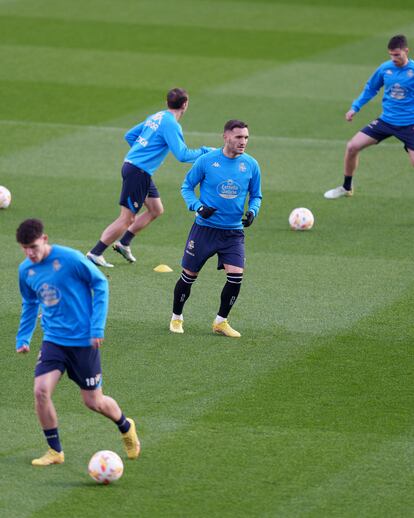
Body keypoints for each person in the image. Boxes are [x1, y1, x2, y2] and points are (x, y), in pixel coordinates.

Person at [15, 219, 140, 466]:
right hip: (53, 340)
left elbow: (100, 283)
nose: (30, 253)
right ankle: (55, 451)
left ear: (44, 239)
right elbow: (30, 303)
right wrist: (23, 337)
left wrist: (96, 327)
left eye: (33, 246)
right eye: (24, 248)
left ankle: (126, 426)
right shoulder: (25, 270)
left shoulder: (70, 259)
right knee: (40, 391)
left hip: (83, 341)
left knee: (94, 402)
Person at [87, 87, 213, 267]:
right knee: (127, 218)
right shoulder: (171, 124)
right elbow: (182, 155)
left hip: (138, 169)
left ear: (167, 102)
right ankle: (95, 253)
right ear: (185, 104)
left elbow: (130, 135)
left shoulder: (157, 116)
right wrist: (206, 152)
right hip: (138, 171)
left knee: (156, 209)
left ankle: (124, 243)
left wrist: (143, 152)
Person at [169, 120, 262, 338]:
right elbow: (186, 186)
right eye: (239, 137)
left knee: (236, 277)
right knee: (189, 276)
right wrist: (198, 206)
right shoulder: (207, 161)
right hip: (205, 230)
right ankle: (176, 317)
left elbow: (256, 195)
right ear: (226, 137)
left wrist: (253, 211)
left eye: (246, 137)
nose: (243, 142)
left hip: (233, 232)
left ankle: (221, 322)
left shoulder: (250, 165)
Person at [324, 34, 414, 199]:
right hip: (386, 121)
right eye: (391, 54)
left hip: (410, 125)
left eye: (397, 55)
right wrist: (355, 107)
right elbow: (371, 88)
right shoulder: (385, 68)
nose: (393, 58)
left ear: (406, 51)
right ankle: (346, 187)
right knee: (352, 147)